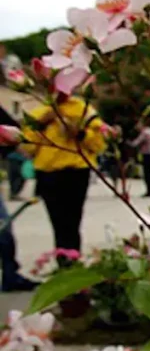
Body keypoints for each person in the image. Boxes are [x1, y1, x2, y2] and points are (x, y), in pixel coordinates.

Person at [21, 94, 107, 252]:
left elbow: (99, 144)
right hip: (49, 173)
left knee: (73, 222)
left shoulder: (84, 110)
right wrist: (41, 124)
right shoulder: (38, 114)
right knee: (58, 223)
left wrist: (80, 133)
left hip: (76, 172)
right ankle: (64, 261)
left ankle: (73, 261)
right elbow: (27, 147)